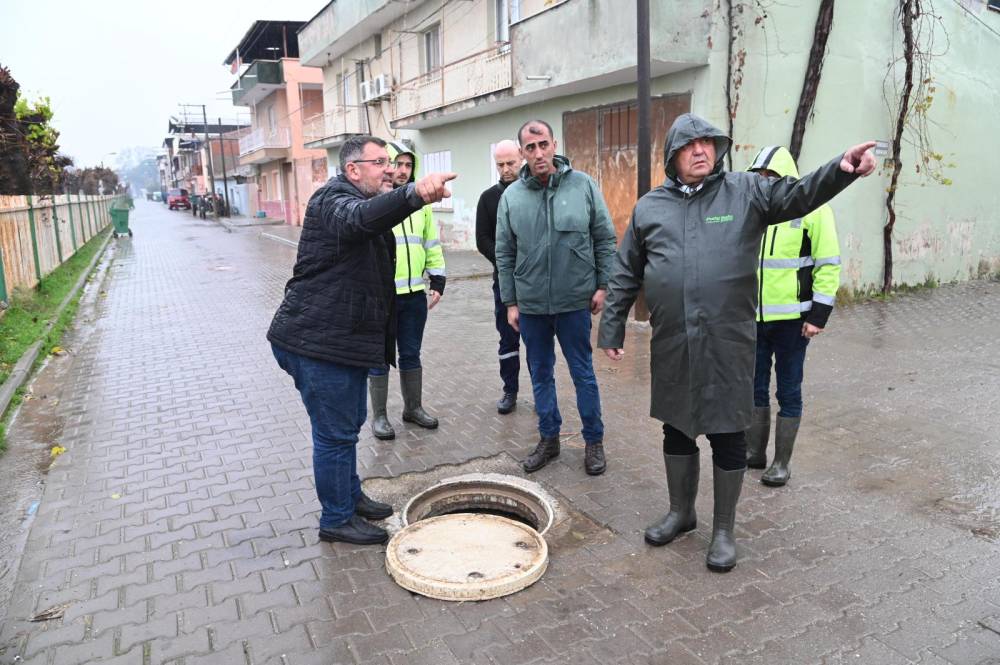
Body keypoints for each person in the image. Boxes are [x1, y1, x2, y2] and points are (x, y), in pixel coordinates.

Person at [598, 113, 874, 572]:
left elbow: (800, 194)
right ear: (673, 155)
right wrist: (611, 328)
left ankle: (723, 530)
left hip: (728, 342)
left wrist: (840, 169)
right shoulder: (650, 207)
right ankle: (682, 512)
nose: (701, 151)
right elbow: (627, 270)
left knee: (728, 433)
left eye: (708, 143)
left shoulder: (746, 191)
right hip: (673, 342)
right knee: (677, 427)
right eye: (690, 145)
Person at [268, 135, 455, 546]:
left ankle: (349, 497)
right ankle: (336, 519)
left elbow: (372, 221)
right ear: (352, 170)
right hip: (316, 342)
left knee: (347, 427)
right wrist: (413, 193)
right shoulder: (332, 201)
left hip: (341, 340)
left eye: (391, 162)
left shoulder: (360, 201)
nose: (389, 168)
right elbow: (358, 218)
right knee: (334, 434)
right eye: (379, 163)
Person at [496, 120, 617, 476]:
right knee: (541, 374)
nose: (538, 153)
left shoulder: (583, 186)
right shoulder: (511, 197)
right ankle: (549, 439)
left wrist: (602, 285)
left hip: (573, 302)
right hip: (532, 305)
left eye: (543, 145)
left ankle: (593, 441)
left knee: (583, 373)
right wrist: (511, 302)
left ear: (554, 145)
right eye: (530, 148)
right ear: (522, 153)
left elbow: (604, 239)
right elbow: (504, 252)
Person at [745, 146, 842, 487]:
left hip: (794, 321)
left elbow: (828, 265)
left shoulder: (814, 209)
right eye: (757, 176)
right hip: (754, 319)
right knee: (753, 388)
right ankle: (754, 454)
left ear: (785, 177)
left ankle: (781, 463)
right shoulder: (753, 208)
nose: (762, 181)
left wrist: (818, 315)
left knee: (788, 390)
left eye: (768, 176)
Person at [367, 141, 447, 440]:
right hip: (381, 298)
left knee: (411, 354)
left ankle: (412, 408)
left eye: (407, 165)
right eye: (397, 164)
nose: (402, 170)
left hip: (414, 295)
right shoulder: (374, 201)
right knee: (378, 357)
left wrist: (437, 280)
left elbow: (430, 244)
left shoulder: (420, 204)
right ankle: (379, 417)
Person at [476, 140, 524, 414]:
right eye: (500, 164)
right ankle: (510, 391)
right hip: (505, 283)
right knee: (507, 339)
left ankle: (544, 392)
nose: (505, 169)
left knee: (538, 342)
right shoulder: (488, 198)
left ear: (521, 158)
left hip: (536, 284)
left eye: (510, 163)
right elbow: (482, 239)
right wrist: (505, 259)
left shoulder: (535, 193)